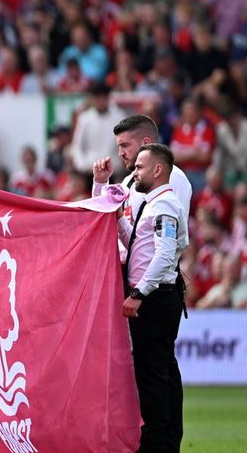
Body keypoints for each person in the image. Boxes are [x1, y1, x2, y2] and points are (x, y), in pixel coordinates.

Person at [117, 144, 187, 452]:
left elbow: (164, 253)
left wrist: (138, 293)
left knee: (153, 375)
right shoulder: (153, 203)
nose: (134, 172)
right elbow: (133, 242)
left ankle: (158, 443)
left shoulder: (166, 205)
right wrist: (114, 213)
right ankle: (159, 440)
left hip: (156, 299)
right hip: (153, 297)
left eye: (140, 167)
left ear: (157, 170)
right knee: (151, 372)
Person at [93, 115, 193, 241]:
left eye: (125, 145)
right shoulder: (128, 181)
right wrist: (101, 183)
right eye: (119, 146)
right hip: (129, 259)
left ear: (146, 143)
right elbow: (104, 221)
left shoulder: (173, 177)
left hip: (153, 259)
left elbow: (172, 240)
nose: (120, 153)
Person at [70, 83, 127, 174]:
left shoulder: (119, 118)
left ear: (108, 98)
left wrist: (119, 165)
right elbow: (77, 146)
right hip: (88, 168)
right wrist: (82, 165)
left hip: (113, 169)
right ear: (93, 99)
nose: (100, 101)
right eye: (97, 97)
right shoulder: (85, 118)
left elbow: (124, 145)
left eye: (103, 97)